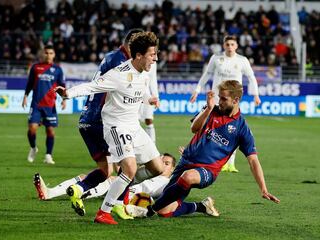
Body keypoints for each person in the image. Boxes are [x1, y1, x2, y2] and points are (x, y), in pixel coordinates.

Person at [35, 29, 147, 219]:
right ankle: (117, 206)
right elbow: (102, 87)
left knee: (106, 170)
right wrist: (69, 93)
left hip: (87, 118)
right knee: (125, 167)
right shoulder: (122, 64)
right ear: (132, 46)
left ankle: (71, 190)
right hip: (100, 120)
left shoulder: (112, 57)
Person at [55, 31, 164, 225]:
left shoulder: (144, 74)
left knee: (158, 168)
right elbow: (91, 86)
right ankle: (104, 211)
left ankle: (120, 185)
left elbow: (141, 91)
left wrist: (149, 99)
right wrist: (67, 94)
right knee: (129, 168)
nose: (156, 58)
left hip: (134, 127)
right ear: (139, 55)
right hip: (116, 127)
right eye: (152, 54)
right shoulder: (118, 74)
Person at [128, 80, 280, 219]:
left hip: (208, 171)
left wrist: (263, 189)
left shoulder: (241, 129)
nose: (219, 102)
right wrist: (208, 109)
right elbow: (194, 128)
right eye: (219, 97)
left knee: (188, 177)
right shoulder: (211, 109)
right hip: (186, 162)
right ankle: (201, 206)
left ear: (236, 100)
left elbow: (253, 160)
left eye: (224, 99)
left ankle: (148, 211)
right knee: (165, 211)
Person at [189, 35, 261, 173]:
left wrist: (256, 95)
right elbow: (207, 74)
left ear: (236, 46)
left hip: (232, 101)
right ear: (224, 45)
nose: (229, 47)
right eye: (227, 44)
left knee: (231, 129)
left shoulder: (242, 60)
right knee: (204, 126)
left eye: (232, 44)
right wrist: (197, 90)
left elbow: (251, 77)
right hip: (216, 99)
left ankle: (230, 163)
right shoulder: (216, 58)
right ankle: (203, 156)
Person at [32, 153, 176, 201]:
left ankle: (80, 193)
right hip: (123, 190)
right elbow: (122, 170)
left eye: (167, 163)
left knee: (110, 180)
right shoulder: (148, 171)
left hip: (126, 196)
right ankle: (50, 193)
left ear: (173, 168)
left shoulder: (163, 182)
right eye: (161, 161)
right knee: (87, 176)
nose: (163, 165)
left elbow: (142, 190)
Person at [22, 45, 66, 164]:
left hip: (50, 105)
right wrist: (25, 96)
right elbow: (30, 83)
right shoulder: (36, 67)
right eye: (46, 53)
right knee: (32, 128)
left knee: (50, 131)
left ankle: (48, 155)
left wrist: (64, 99)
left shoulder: (57, 70)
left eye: (51, 53)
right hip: (36, 104)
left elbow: (61, 85)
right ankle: (33, 148)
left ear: (54, 55)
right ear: (43, 54)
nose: (48, 55)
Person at [139, 62, 158, 142]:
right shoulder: (137, 60)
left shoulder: (153, 63)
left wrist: (156, 97)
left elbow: (153, 80)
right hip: (136, 94)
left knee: (149, 119)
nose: (155, 57)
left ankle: (152, 145)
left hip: (148, 96)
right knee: (135, 120)